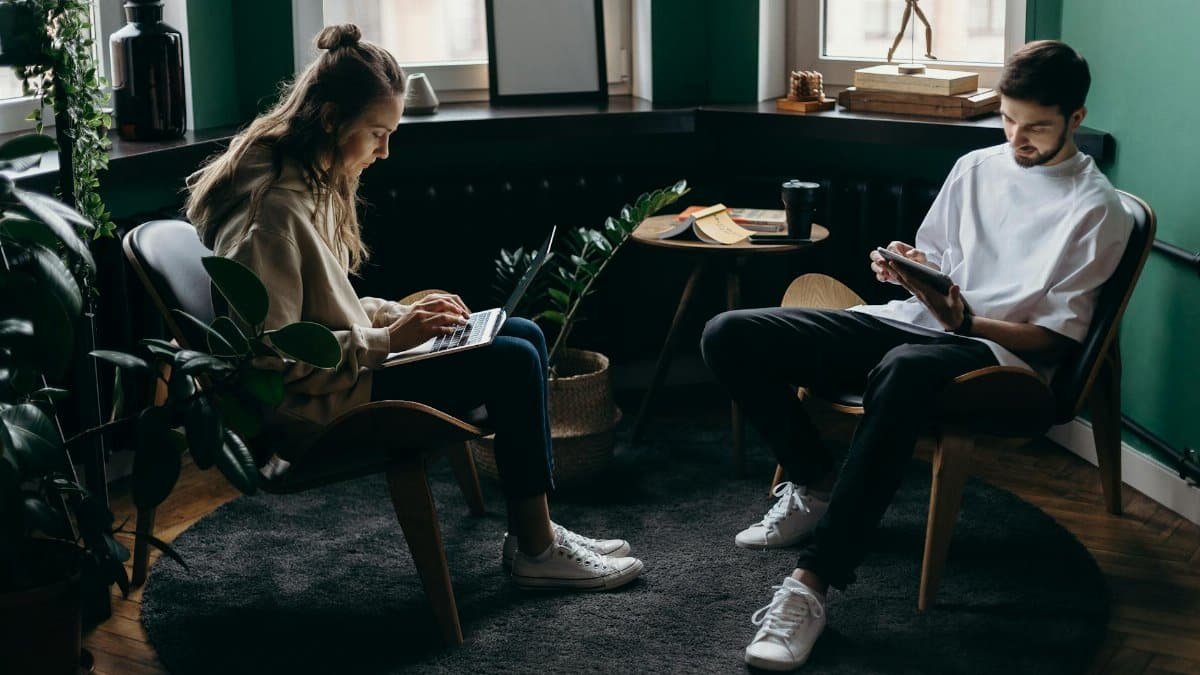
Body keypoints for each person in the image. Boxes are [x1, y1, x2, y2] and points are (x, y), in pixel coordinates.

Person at [700, 40, 1132, 670]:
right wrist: (910, 270)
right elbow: (942, 261)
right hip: (918, 325)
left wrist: (968, 319)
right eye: (1009, 120)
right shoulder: (976, 167)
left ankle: (812, 586)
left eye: (1036, 126)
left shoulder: (1097, 210)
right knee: (728, 334)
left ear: (1076, 117)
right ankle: (817, 483)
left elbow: (1055, 341)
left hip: (998, 358)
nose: (1018, 139)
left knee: (900, 370)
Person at [184, 24, 643, 592]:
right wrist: (389, 341)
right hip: (321, 408)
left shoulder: (306, 181)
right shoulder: (271, 215)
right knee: (513, 362)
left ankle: (537, 528)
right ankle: (536, 548)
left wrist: (398, 314)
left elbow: (327, 309)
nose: (385, 149)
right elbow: (272, 362)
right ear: (330, 119)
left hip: (348, 376)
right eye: (377, 132)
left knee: (522, 334)